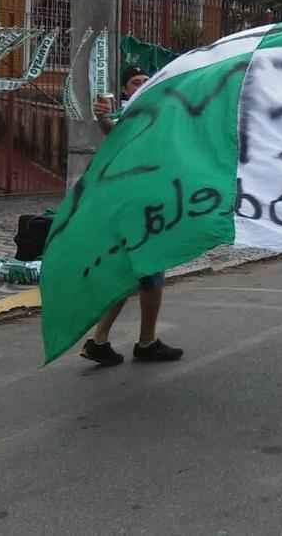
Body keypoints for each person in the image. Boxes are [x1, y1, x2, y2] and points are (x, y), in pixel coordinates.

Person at [79, 66, 185, 367]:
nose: (141, 85)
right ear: (125, 91)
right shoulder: (128, 114)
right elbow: (114, 131)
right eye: (134, 82)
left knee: (136, 276)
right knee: (146, 273)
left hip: (148, 204)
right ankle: (144, 343)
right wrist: (102, 118)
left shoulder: (158, 111)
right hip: (133, 207)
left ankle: (103, 341)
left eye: (145, 81)